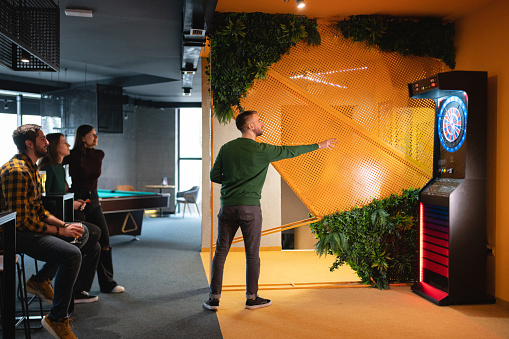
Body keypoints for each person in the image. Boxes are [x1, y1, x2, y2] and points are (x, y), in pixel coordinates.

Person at [204, 111, 337, 311]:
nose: (261, 123)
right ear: (250, 126)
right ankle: (251, 298)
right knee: (252, 254)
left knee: (221, 252)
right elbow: (291, 151)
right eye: (258, 121)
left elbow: (215, 175)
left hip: (228, 208)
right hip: (250, 208)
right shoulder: (264, 150)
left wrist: (233, 182)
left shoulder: (226, 148)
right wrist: (320, 145)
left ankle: (214, 299)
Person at [0, 124, 85, 338]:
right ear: (29, 144)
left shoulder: (32, 168)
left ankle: (40, 280)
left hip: (24, 229)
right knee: (71, 254)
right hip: (9, 235)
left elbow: (39, 210)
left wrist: (65, 226)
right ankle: (57, 319)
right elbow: (21, 221)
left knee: (82, 233)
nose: (47, 143)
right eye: (42, 139)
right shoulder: (17, 171)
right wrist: (59, 232)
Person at [39, 133, 101, 303]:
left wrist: (73, 201)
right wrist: (69, 204)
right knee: (93, 232)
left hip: (62, 217)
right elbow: (44, 200)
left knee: (95, 246)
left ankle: (78, 290)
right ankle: (43, 277)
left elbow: (60, 195)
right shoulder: (47, 167)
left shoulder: (59, 167)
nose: (68, 145)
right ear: (54, 147)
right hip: (51, 220)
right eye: (64, 143)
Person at [63, 125, 125, 294]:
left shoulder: (99, 154)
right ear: (82, 137)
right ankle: (77, 287)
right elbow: (54, 164)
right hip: (77, 199)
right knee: (81, 243)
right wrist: (65, 187)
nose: (96, 138)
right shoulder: (72, 155)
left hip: (94, 201)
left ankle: (108, 284)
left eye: (96, 134)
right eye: (92, 135)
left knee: (105, 241)